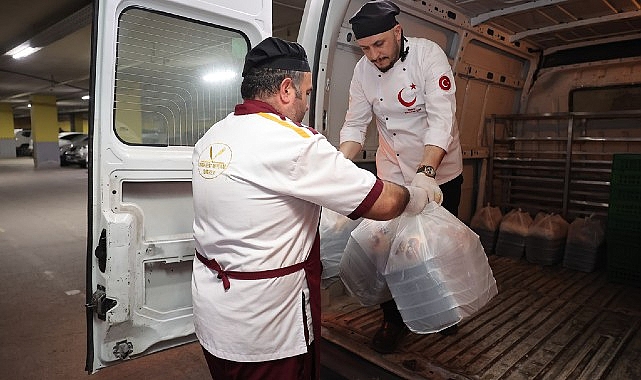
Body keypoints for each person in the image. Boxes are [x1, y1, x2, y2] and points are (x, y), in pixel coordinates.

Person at [191, 36, 433, 380]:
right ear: (286, 89)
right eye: (306, 93)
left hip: (214, 315)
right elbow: (385, 203)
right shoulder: (291, 142)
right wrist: (418, 192)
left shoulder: (213, 136)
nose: (305, 104)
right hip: (268, 330)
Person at [339, 0, 464, 354]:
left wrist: (426, 175)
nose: (373, 55)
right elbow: (355, 123)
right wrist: (336, 163)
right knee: (388, 249)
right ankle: (393, 321)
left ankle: (443, 311)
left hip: (440, 173)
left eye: (379, 44)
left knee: (437, 247)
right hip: (393, 173)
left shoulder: (429, 56)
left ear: (397, 32)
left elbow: (442, 120)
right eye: (365, 48)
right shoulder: (363, 71)